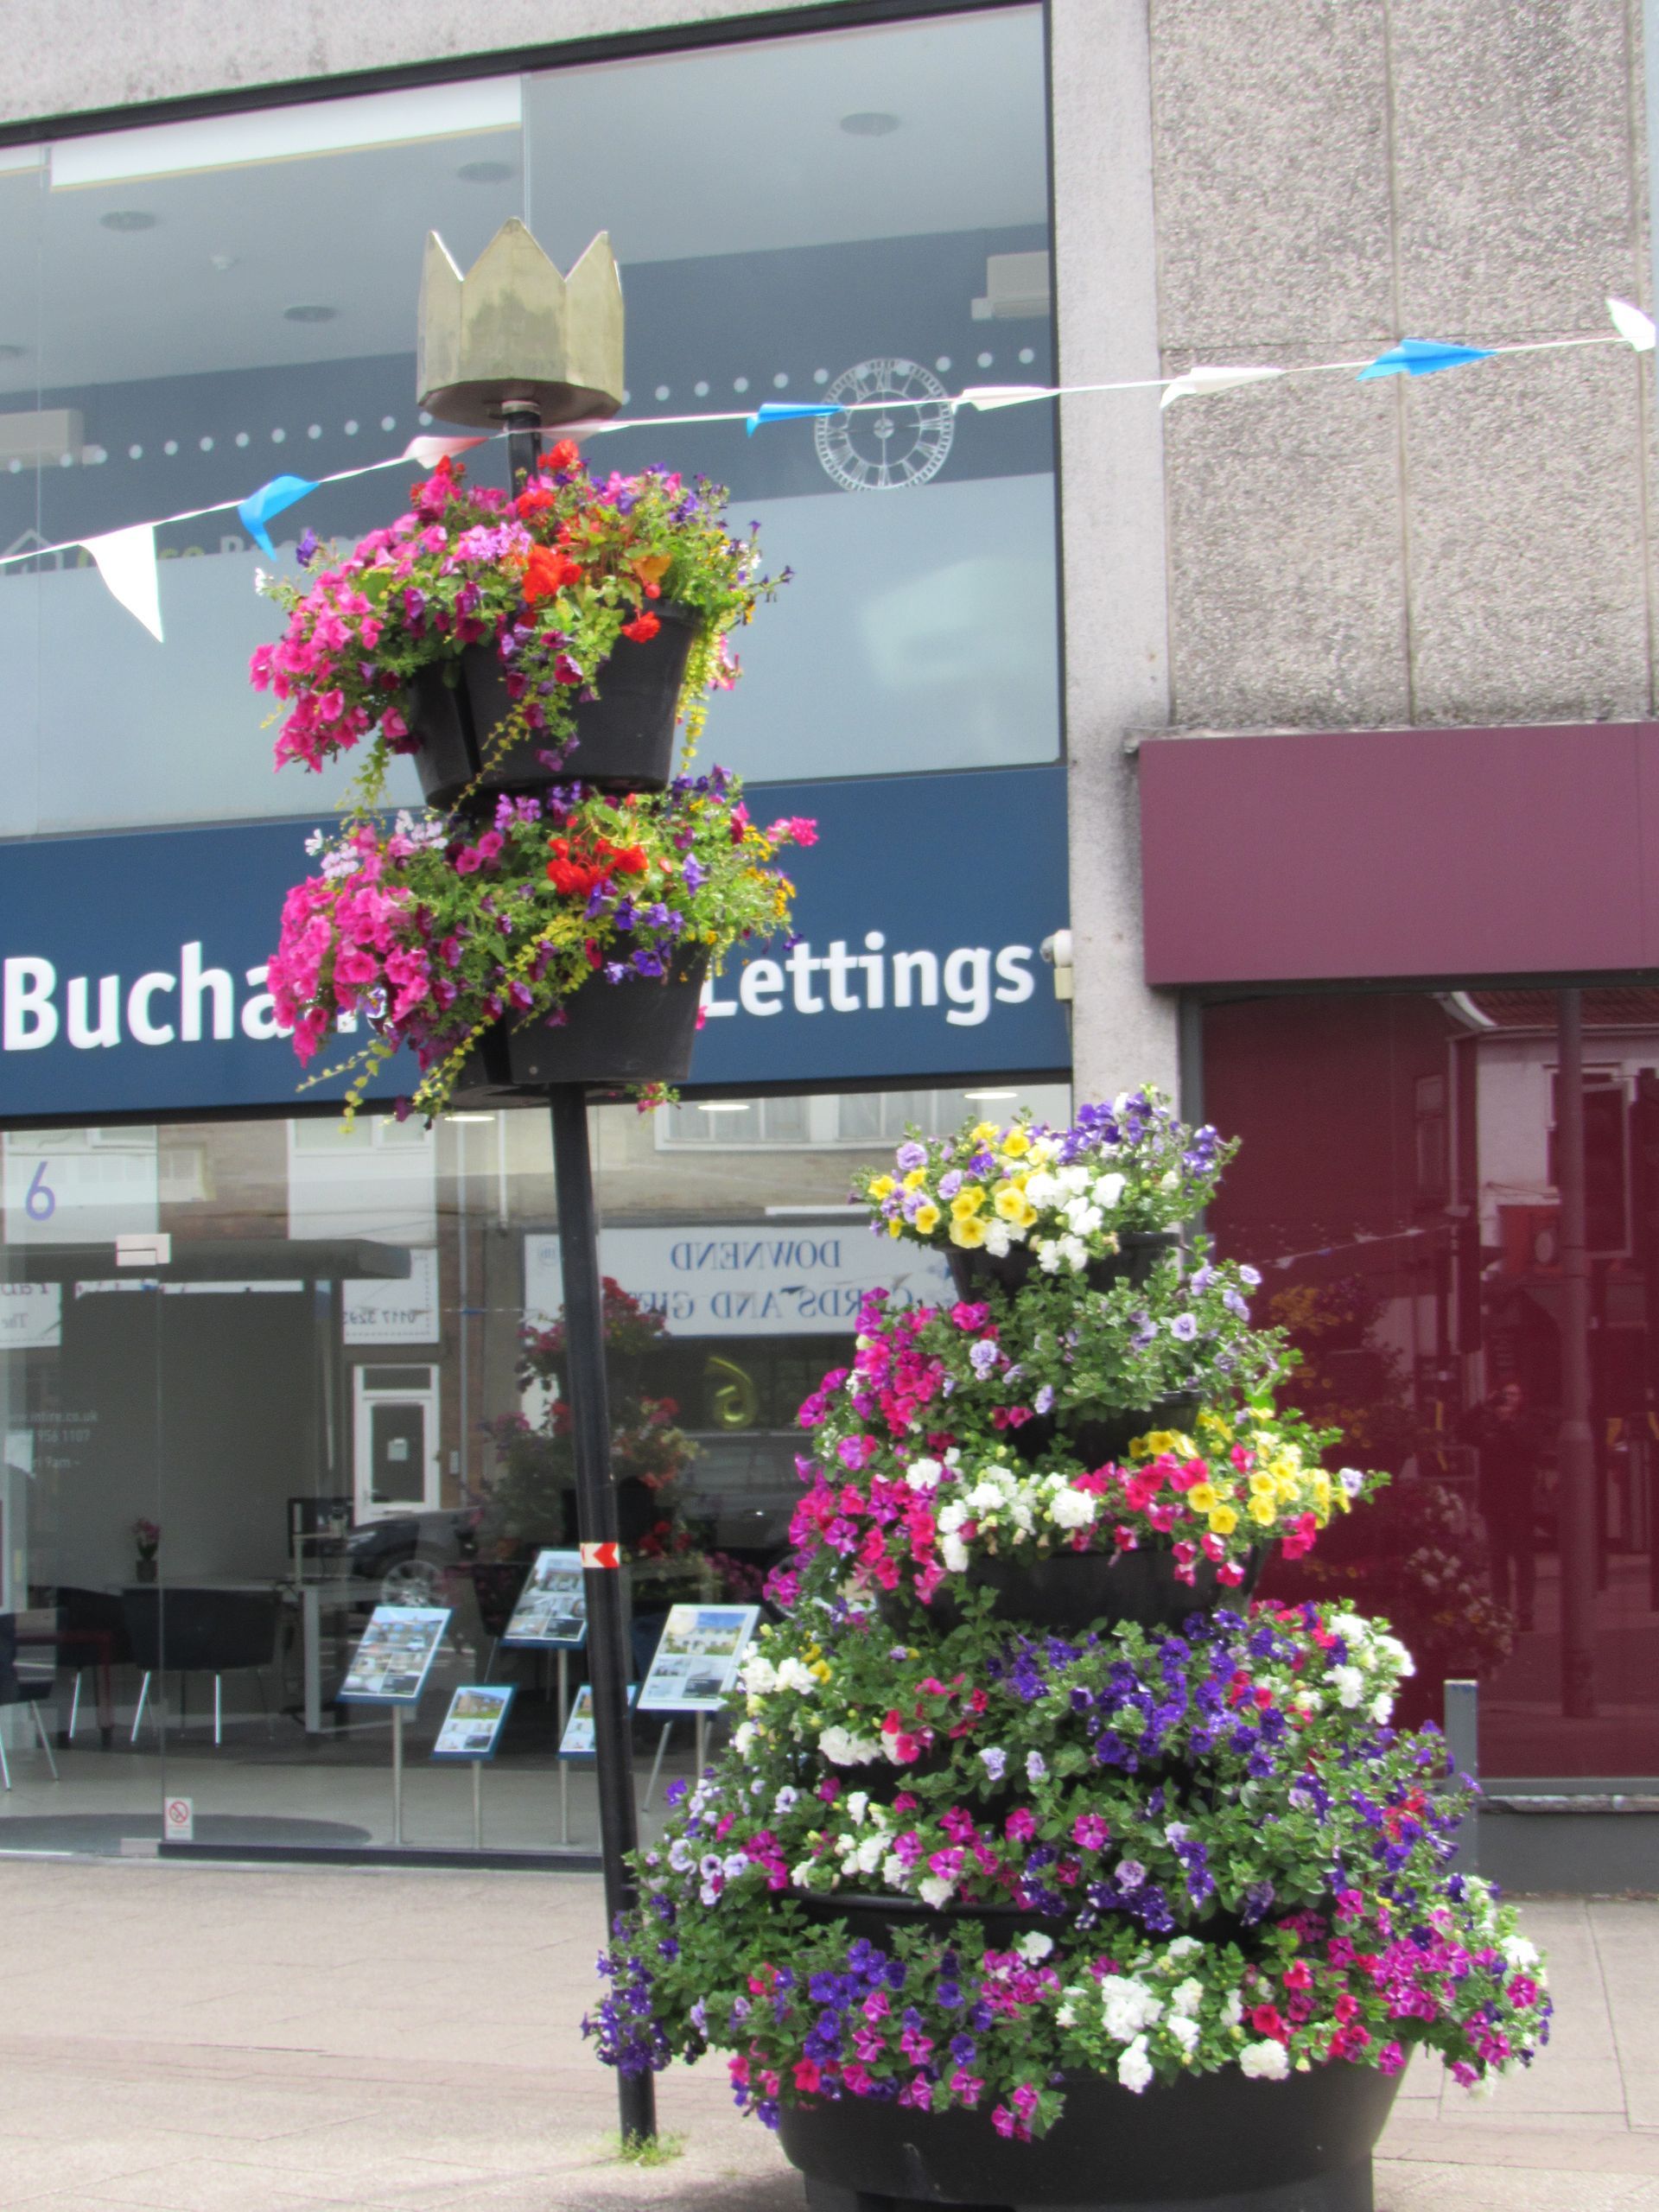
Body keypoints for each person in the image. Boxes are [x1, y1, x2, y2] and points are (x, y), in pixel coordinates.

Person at [1462, 1381, 1544, 1630]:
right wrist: (1482, 1406)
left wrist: (1508, 1425)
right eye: (1505, 1395)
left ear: (1522, 1399)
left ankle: (1525, 1610)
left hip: (1519, 1501)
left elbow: (1530, 1448)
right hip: (1494, 1500)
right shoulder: (1488, 1426)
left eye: (1514, 1394)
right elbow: (1462, 1430)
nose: (1508, 1400)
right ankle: (1501, 1607)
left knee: (1522, 1556)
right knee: (1497, 1557)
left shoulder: (1528, 1423)